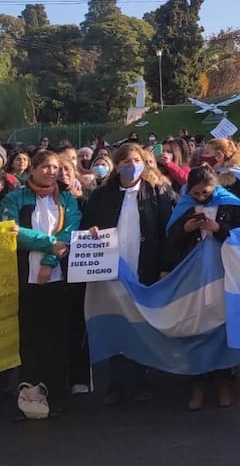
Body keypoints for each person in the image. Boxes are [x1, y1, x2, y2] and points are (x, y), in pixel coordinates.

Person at [82, 143, 176, 404]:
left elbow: (168, 232)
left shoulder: (158, 192)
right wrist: (92, 232)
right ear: (117, 164)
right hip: (111, 269)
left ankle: (141, 380)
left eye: (136, 160)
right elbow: (86, 224)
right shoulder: (102, 194)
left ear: (144, 163)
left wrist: (165, 266)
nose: (131, 165)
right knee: (115, 322)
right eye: (125, 161)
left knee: (140, 324)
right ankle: (116, 381)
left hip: (144, 267)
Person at [1, 150, 82, 420]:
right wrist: (48, 243)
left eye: (55, 167)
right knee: (29, 341)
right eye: (45, 166)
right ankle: (29, 398)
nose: (51, 171)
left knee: (55, 340)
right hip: (24, 281)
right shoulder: (15, 198)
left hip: (57, 281)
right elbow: (13, 231)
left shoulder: (67, 199)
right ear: (32, 169)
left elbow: (69, 233)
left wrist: (49, 261)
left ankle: (56, 395)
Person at [165, 165, 240, 410]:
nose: (201, 197)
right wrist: (185, 230)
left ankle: (224, 378)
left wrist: (219, 230)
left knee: (222, 322)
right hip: (194, 275)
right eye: (196, 193)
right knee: (197, 323)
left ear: (216, 186)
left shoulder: (231, 204)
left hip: (224, 271)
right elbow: (171, 240)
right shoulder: (184, 205)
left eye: (205, 192)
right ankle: (197, 380)